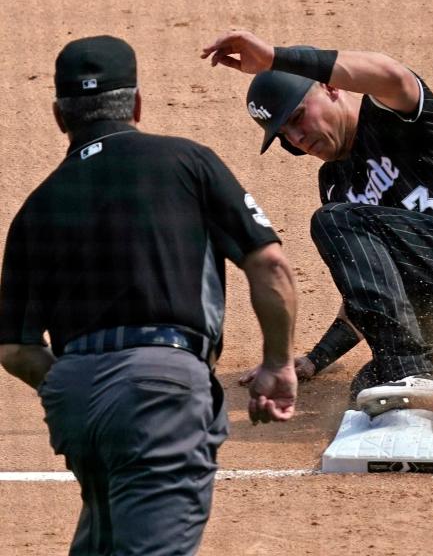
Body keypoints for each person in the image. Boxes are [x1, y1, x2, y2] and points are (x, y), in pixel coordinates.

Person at [0, 36, 298, 555]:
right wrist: (278, 362)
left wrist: (80, 384)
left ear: (58, 116)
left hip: (73, 399)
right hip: (161, 389)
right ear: (136, 104)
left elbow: (14, 348)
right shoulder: (187, 161)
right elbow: (269, 264)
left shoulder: (36, 206)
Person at [202, 30, 433, 416]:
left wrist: (276, 59)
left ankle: (409, 372)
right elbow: (371, 289)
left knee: (334, 222)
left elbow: (392, 74)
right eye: (284, 135)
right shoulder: (334, 183)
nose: (297, 138)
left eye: (298, 118)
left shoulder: (393, 115)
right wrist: (317, 358)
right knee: (367, 391)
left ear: (332, 88)